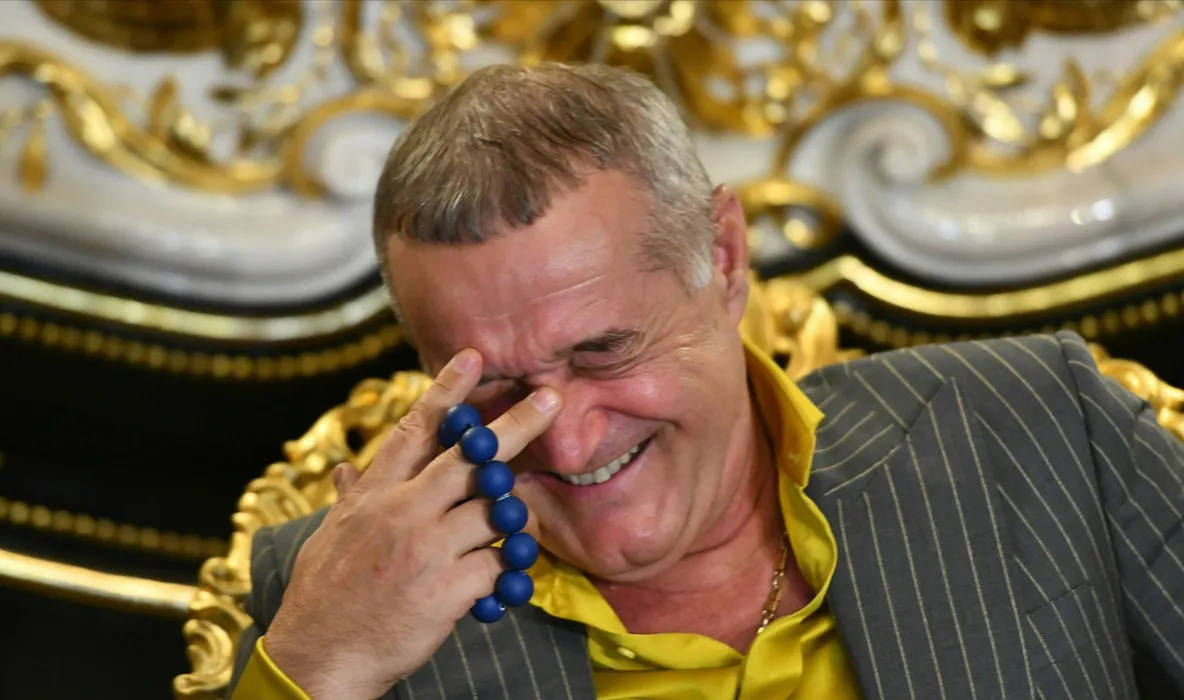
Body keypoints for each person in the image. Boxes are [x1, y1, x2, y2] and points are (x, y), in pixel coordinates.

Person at [227, 63, 1184, 700]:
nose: (567, 441)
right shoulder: (330, 604)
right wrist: (316, 669)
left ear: (723, 259)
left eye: (604, 352)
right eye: (496, 388)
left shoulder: (1037, 421)